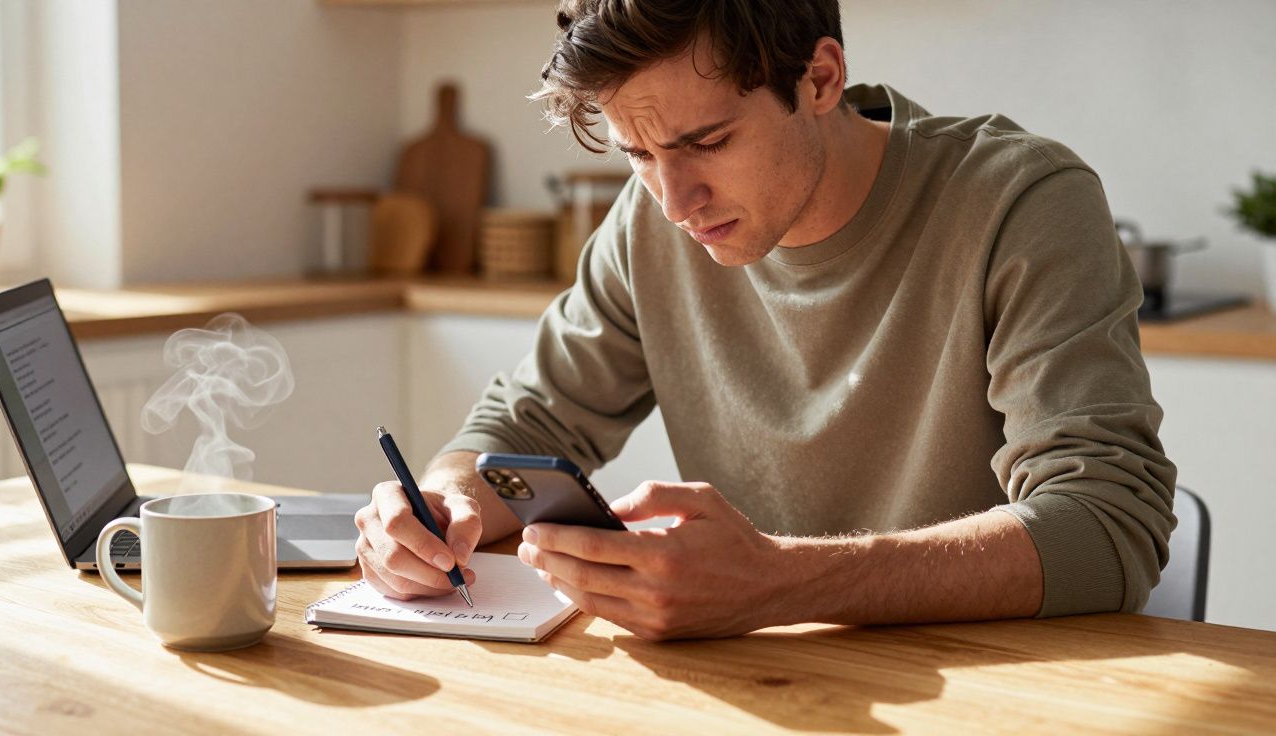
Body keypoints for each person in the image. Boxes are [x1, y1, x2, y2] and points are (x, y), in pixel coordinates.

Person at [353, 0, 1176, 641]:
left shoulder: (1020, 202)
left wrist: (780, 581)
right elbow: (525, 425)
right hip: (758, 684)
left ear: (820, 80)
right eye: (638, 156)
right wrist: (436, 504)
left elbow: (1105, 526)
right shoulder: (648, 228)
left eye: (706, 142)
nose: (674, 203)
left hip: (994, 689)